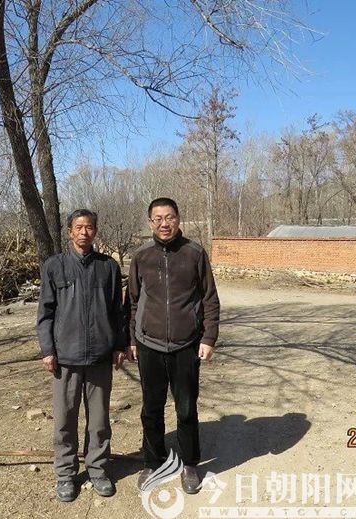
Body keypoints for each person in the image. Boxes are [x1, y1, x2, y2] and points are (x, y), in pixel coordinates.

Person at [126, 197, 220, 495]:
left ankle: (190, 463)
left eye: (169, 217)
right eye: (158, 218)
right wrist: (132, 339)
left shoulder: (194, 253)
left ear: (178, 218)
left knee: (186, 408)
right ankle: (153, 462)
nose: (164, 224)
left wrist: (208, 337)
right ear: (150, 222)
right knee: (151, 409)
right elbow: (132, 302)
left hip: (186, 345)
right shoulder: (142, 256)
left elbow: (209, 298)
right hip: (149, 345)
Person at [37, 209, 127, 502]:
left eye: (89, 227)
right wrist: (48, 350)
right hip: (66, 358)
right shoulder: (55, 266)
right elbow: (45, 312)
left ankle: (98, 470)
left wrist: (119, 345)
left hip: (100, 357)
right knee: (65, 421)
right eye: (78, 227)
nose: (84, 232)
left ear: (95, 231)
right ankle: (65, 474)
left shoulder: (108, 267)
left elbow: (118, 312)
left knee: (99, 422)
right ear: (70, 232)